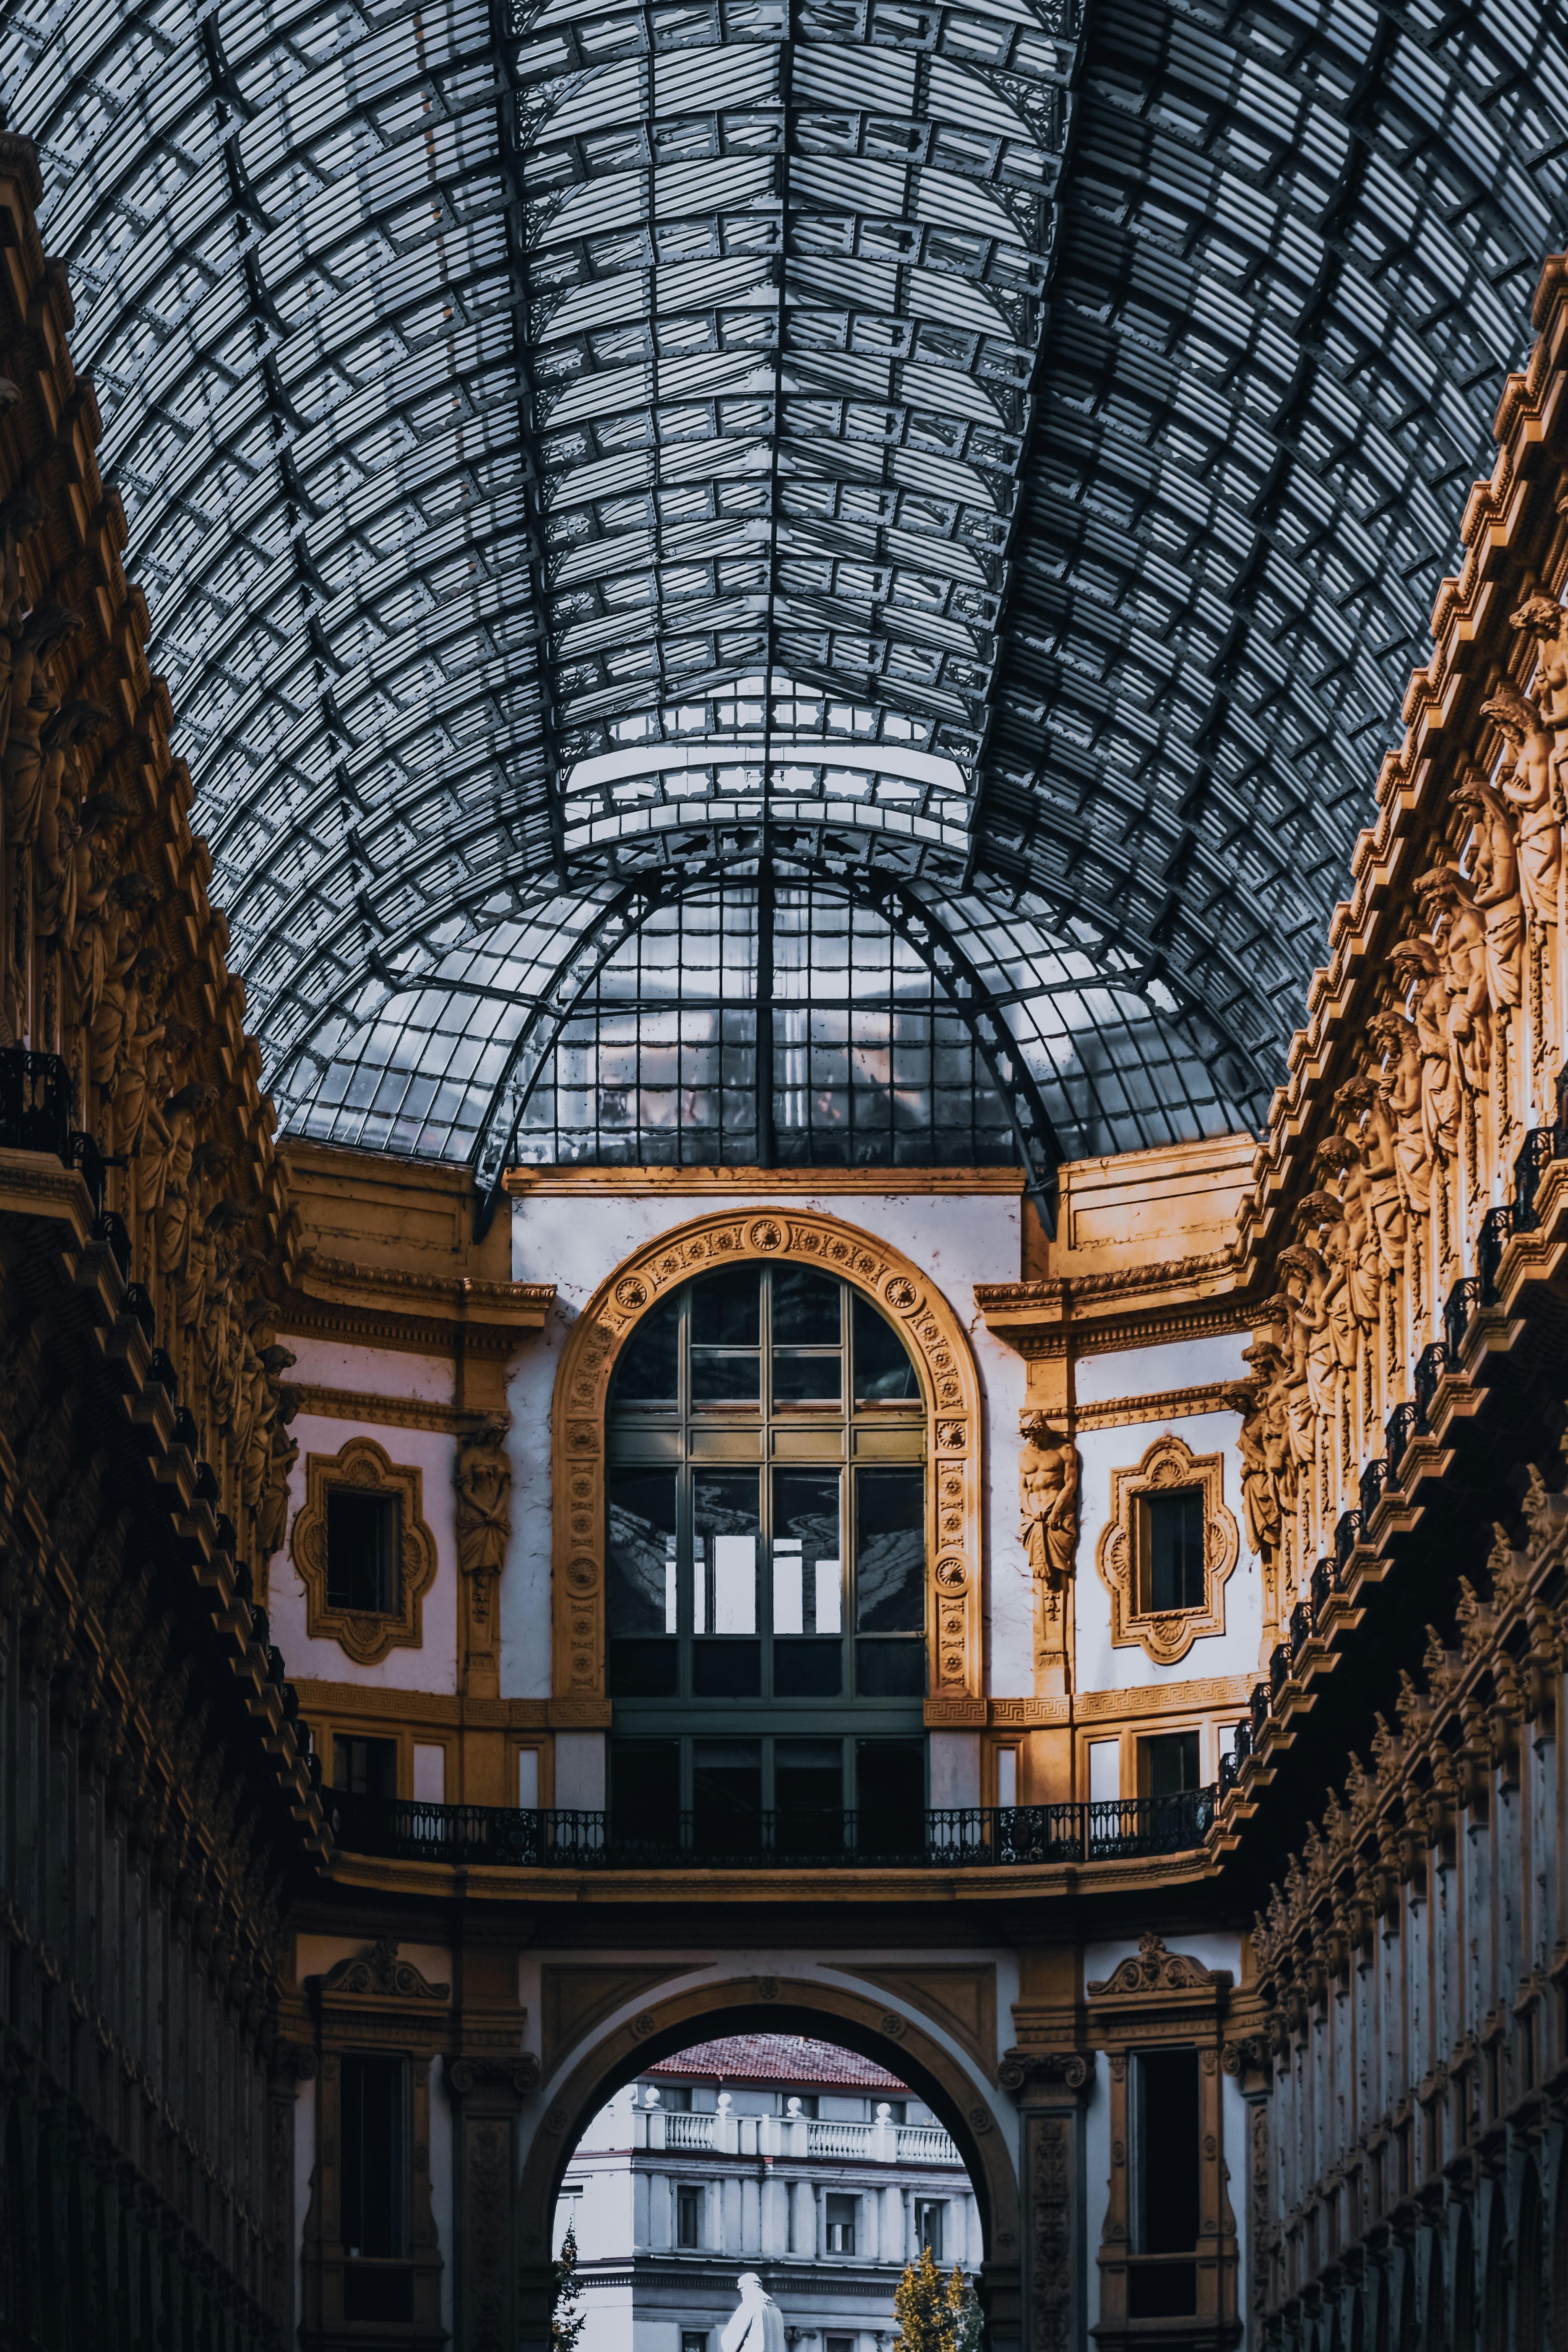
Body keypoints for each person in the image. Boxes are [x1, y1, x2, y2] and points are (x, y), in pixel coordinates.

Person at [720, 2274, 786, 2352]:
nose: (743, 2296)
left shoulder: (749, 2307)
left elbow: (730, 2344)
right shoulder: (777, 2311)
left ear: (746, 2289)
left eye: (742, 2291)